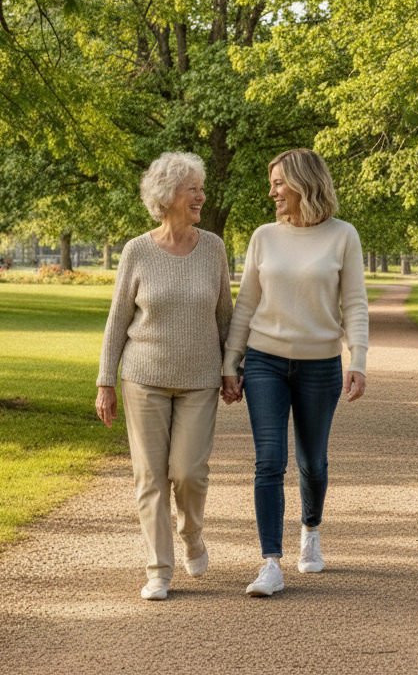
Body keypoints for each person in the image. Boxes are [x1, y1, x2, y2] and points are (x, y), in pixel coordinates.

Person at [221, 148, 369, 597]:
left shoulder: (343, 236)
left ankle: (311, 529)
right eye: (272, 183)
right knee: (270, 460)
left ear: (305, 183)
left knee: (313, 462)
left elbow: (355, 304)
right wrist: (231, 361)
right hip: (264, 358)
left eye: (279, 183)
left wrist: (357, 359)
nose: (273, 192)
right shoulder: (263, 236)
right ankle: (270, 562)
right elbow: (245, 304)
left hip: (320, 363)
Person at [96, 151, 233, 601]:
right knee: (150, 477)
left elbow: (225, 316)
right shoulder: (137, 251)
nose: (201, 196)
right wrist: (106, 381)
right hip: (143, 378)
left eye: (200, 188)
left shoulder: (213, 247)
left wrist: (233, 368)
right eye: (192, 188)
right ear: (167, 195)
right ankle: (159, 569)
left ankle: (191, 534)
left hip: (199, 380)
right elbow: (117, 321)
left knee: (189, 472)